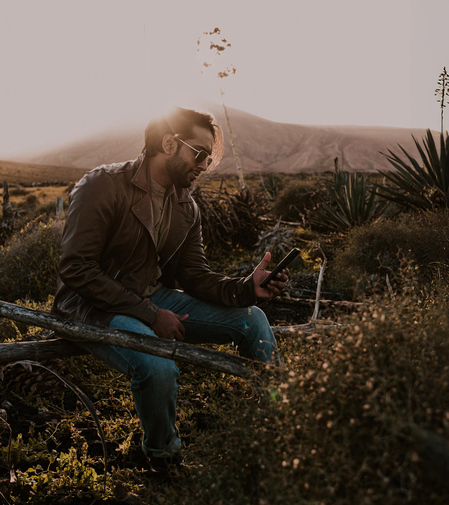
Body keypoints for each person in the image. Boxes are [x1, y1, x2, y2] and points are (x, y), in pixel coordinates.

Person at [52, 106, 288, 476]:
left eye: (209, 159)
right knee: (158, 365)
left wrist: (246, 289)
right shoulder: (102, 185)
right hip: (90, 305)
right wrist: (150, 315)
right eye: (199, 153)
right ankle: (162, 457)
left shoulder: (185, 206)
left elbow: (194, 275)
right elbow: (76, 269)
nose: (204, 165)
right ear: (167, 143)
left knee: (253, 321)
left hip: (150, 299)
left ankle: (279, 430)